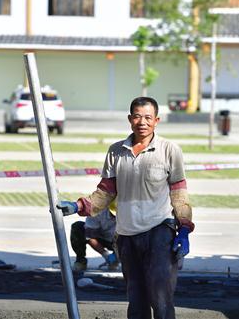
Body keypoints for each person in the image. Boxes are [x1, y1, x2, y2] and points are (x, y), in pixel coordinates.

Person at [57, 97, 194, 319]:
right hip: (126, 236)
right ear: (130, 119)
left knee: (160, 296)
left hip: (160, 230)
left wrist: (185, 228)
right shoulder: (116, 151)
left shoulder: (170, 150)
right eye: (138, 116)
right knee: (136, 299)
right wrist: (78, 205)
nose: (142, 122)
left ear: (156, 121)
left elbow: (179, 193)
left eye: (148, 117)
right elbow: (105, 192)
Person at [70, 201, 118, 272]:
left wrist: (118, 256)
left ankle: (118, 260)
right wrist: (106, 255)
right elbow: (90, 237)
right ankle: (80, 260)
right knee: (78, 227)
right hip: (100, 238)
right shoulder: (97, 211)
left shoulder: (129, 215)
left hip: (118, 241)